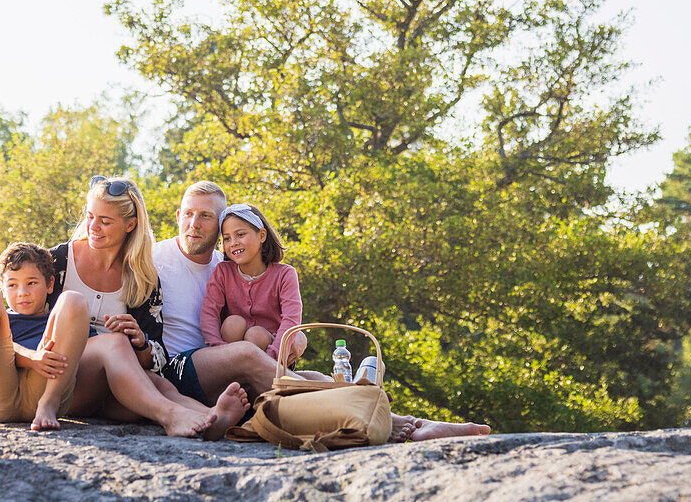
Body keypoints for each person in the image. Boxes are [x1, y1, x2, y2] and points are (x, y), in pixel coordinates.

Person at [154, 180, 491, 442]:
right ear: (177, 214)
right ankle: (391, 424)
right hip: (183, 368)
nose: (193, 223)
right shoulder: (156, 257)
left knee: (314, 378)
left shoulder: (227, 261)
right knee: (245, 352)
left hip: (228, 379)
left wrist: (289, 344)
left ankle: (411, 424)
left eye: (206, 216)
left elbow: (280, 318)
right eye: (187, 213)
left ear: (221, 227)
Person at [43, 175, 247, 439]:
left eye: (105, 221)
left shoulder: (141, 277)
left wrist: (141, 342)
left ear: (131, 224)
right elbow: (18, 318)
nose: (93, 226)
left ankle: (212, 419)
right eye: (90, 216)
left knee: (158, 384)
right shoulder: (56, 262)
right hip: (57, 379)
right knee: (113, 344)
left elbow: (154, 358)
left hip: (106, 390)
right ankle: (172, 417)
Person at [0, 242, 90, 432]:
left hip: (46, 390)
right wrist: (30, 357)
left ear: (50, 284)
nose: (22, 293)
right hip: (0, 396)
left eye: (31, 283)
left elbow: (90, 349)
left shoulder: (62, 319)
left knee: (74, 300)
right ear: (3, 287)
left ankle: (49, 403)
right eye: (12, 285)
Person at [200, 203, 304, 365]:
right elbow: (209, 313)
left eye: (240, 234)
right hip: (231, 354)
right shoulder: (223, 272)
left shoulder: (285, 274)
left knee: (255, 334)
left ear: (262, 235)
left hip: (275, 355)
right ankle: (235, 376)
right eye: (227, 238)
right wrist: (218, 350)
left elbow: (291, 319)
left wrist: (274, 354)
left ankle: (260, 376)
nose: (233, 242)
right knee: (233, 323)